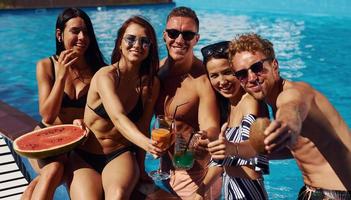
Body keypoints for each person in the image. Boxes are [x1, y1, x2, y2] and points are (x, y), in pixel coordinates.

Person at [228, 33, 351, 199]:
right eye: (242, 74)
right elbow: (301, 148)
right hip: (317, 191)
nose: (251, 78)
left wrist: (285, 126)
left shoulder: (293, 94)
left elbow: (291, 111)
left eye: (257, 68)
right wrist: (233, 149)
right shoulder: (273, 100)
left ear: (274, 65)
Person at [67, 16, 162, 200]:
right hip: (85, 156)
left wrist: (142, 169)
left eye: (144, 41)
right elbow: (118, 117)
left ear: (150, 48)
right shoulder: (105, 76)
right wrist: (148, 144)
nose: (137, 44)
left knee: (117, 195)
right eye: (131, 39)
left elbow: (143, 126)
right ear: (120, 43)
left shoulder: (151, 84)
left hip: (119, 154)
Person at [22, 7, 106, 200]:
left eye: (86, 32)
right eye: (75, 31)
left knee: (39, 183)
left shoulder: (99, 71)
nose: (82, 37)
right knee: (54, 169)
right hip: (48, 141)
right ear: (60, 34)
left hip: (81, 143)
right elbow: (48, 116)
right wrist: (61, 77)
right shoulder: (46, 66)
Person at [155, 6, 221, 199]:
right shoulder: (156, 72)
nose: (180, 40)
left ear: (196, 39)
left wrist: (203, 139)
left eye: (188, 35)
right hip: (164, 171)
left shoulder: (201, 80)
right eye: (173, 33)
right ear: (165, 36)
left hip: (194, 176)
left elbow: (211, 126)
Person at [202, 41, 270, 199]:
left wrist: (231, 147)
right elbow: (223, 161)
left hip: (248, 191)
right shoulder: (230, 106)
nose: (222, 81)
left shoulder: (249, 101)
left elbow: (253, 146)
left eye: (227, 72)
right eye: (214, 75)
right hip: (232, 187)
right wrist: (201, 190)